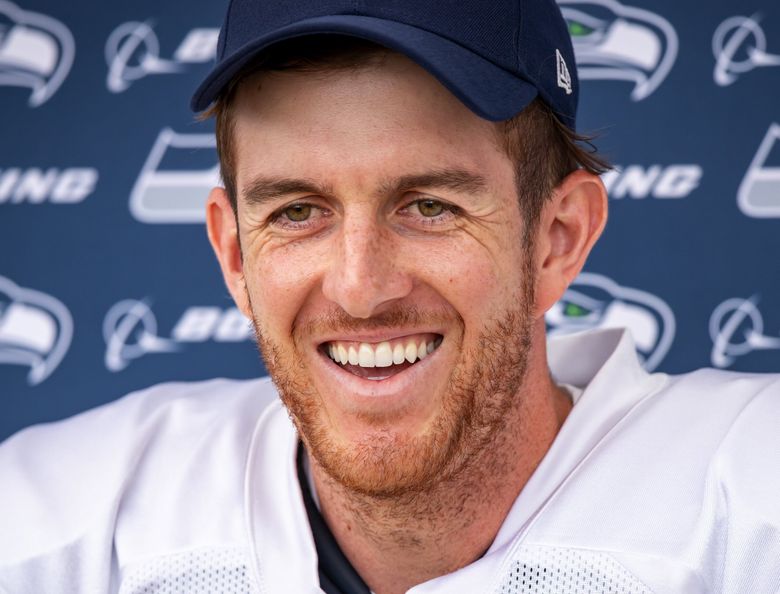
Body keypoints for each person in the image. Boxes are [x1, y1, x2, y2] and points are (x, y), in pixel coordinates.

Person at [2, 0, 779, 592]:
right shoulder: (70, 526)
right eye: (297, 212)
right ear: (235, 253)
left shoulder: (748, 501)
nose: (361, 288)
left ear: (558, 239)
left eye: (429, 206)